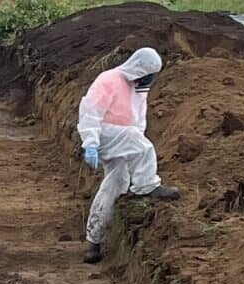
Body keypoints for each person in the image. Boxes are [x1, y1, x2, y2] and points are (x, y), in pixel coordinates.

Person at [76, 46, 180, 262]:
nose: (149, 80)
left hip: (120, 139)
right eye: (148, 75)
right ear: (139, 69)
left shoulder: (138, 89)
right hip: (104, 135)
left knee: (116, 182)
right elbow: (90, 112)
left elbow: (138, 120)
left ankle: (93, 242)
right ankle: (147, 186)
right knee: (143, 146)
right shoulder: (109, 80)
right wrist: (91, 143)